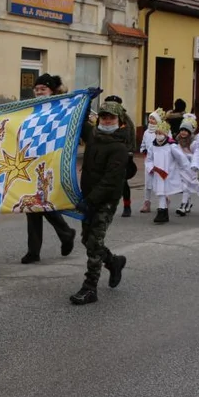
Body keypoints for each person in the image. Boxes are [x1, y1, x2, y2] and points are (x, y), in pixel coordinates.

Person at [70, 101, 130, 305]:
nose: (106, 120)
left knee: (94, 244)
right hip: (88, 197)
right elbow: (79, 119)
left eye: (111, 117)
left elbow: (110, 181)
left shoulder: (119, 148)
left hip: (105, 201)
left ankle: (90, 288)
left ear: (119, 121)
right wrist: (85, 100)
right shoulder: (93, 136)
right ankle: (114, 262)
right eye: (103, 116)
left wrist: (90, 201)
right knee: (87, 240)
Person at [21, 74, 77, 263]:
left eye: (42, 89)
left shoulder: (60, 108)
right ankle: (35, 250)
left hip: (50, 161)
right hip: (30, 160)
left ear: (52, 91)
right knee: (32, 205)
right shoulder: (32, 109)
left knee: (41, 202)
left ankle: (65, 233)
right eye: (36, 89)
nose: (38, 92)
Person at [144, 119, 188, 224]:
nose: (159, 135)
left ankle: (162, 211)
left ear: (166, 134)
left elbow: (181, 158)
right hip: (158, 173)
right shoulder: (152, 146)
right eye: (157, 133)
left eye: (161, 133)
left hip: (169, 172)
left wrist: (185, 168)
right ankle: (163, 212)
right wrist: (151, 168)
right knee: (160, 192)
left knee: (164, 191)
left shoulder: (171, 146)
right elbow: (149, 159)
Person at [103, 94, 137, 218]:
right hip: (106, 154)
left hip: (123, 154)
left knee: (123, 182)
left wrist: (129, 153)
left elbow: (128, 137)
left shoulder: (124, 120)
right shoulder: (103, 118)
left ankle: (127, 206)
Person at [175, 116, 199, 214]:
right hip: (181, 168)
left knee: (187, 186)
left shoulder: (193, 143)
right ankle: (187, 202)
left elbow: (197, 154)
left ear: (190, 132)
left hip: (191, 168)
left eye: (186, 130)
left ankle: (183, 205)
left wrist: (190, 158)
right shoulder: (177, 140)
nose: (183, 132)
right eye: (182, 130)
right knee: (184, 186)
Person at [139, 108, 164, 212]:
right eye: (150, 118)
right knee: (148, 182)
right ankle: (147, 202)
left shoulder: (162, 130)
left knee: (160, 182)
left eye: (153, 119)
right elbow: (143, 144)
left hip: (160, 160)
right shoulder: (146, 132)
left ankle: (163, 201)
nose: (151, 120)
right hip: (149, 161)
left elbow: (169, 143)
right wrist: (143, 150)